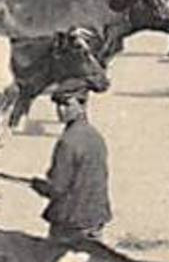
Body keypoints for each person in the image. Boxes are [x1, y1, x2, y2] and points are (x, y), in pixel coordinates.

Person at [29, 78, 111, 244]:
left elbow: (57, 188)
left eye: (66, 105)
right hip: (95, 220)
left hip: (69, 224)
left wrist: (39, 185)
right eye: (58, 105)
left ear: (82, 106)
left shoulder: (67, 141)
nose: (60, 110)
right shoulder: (95, 136)